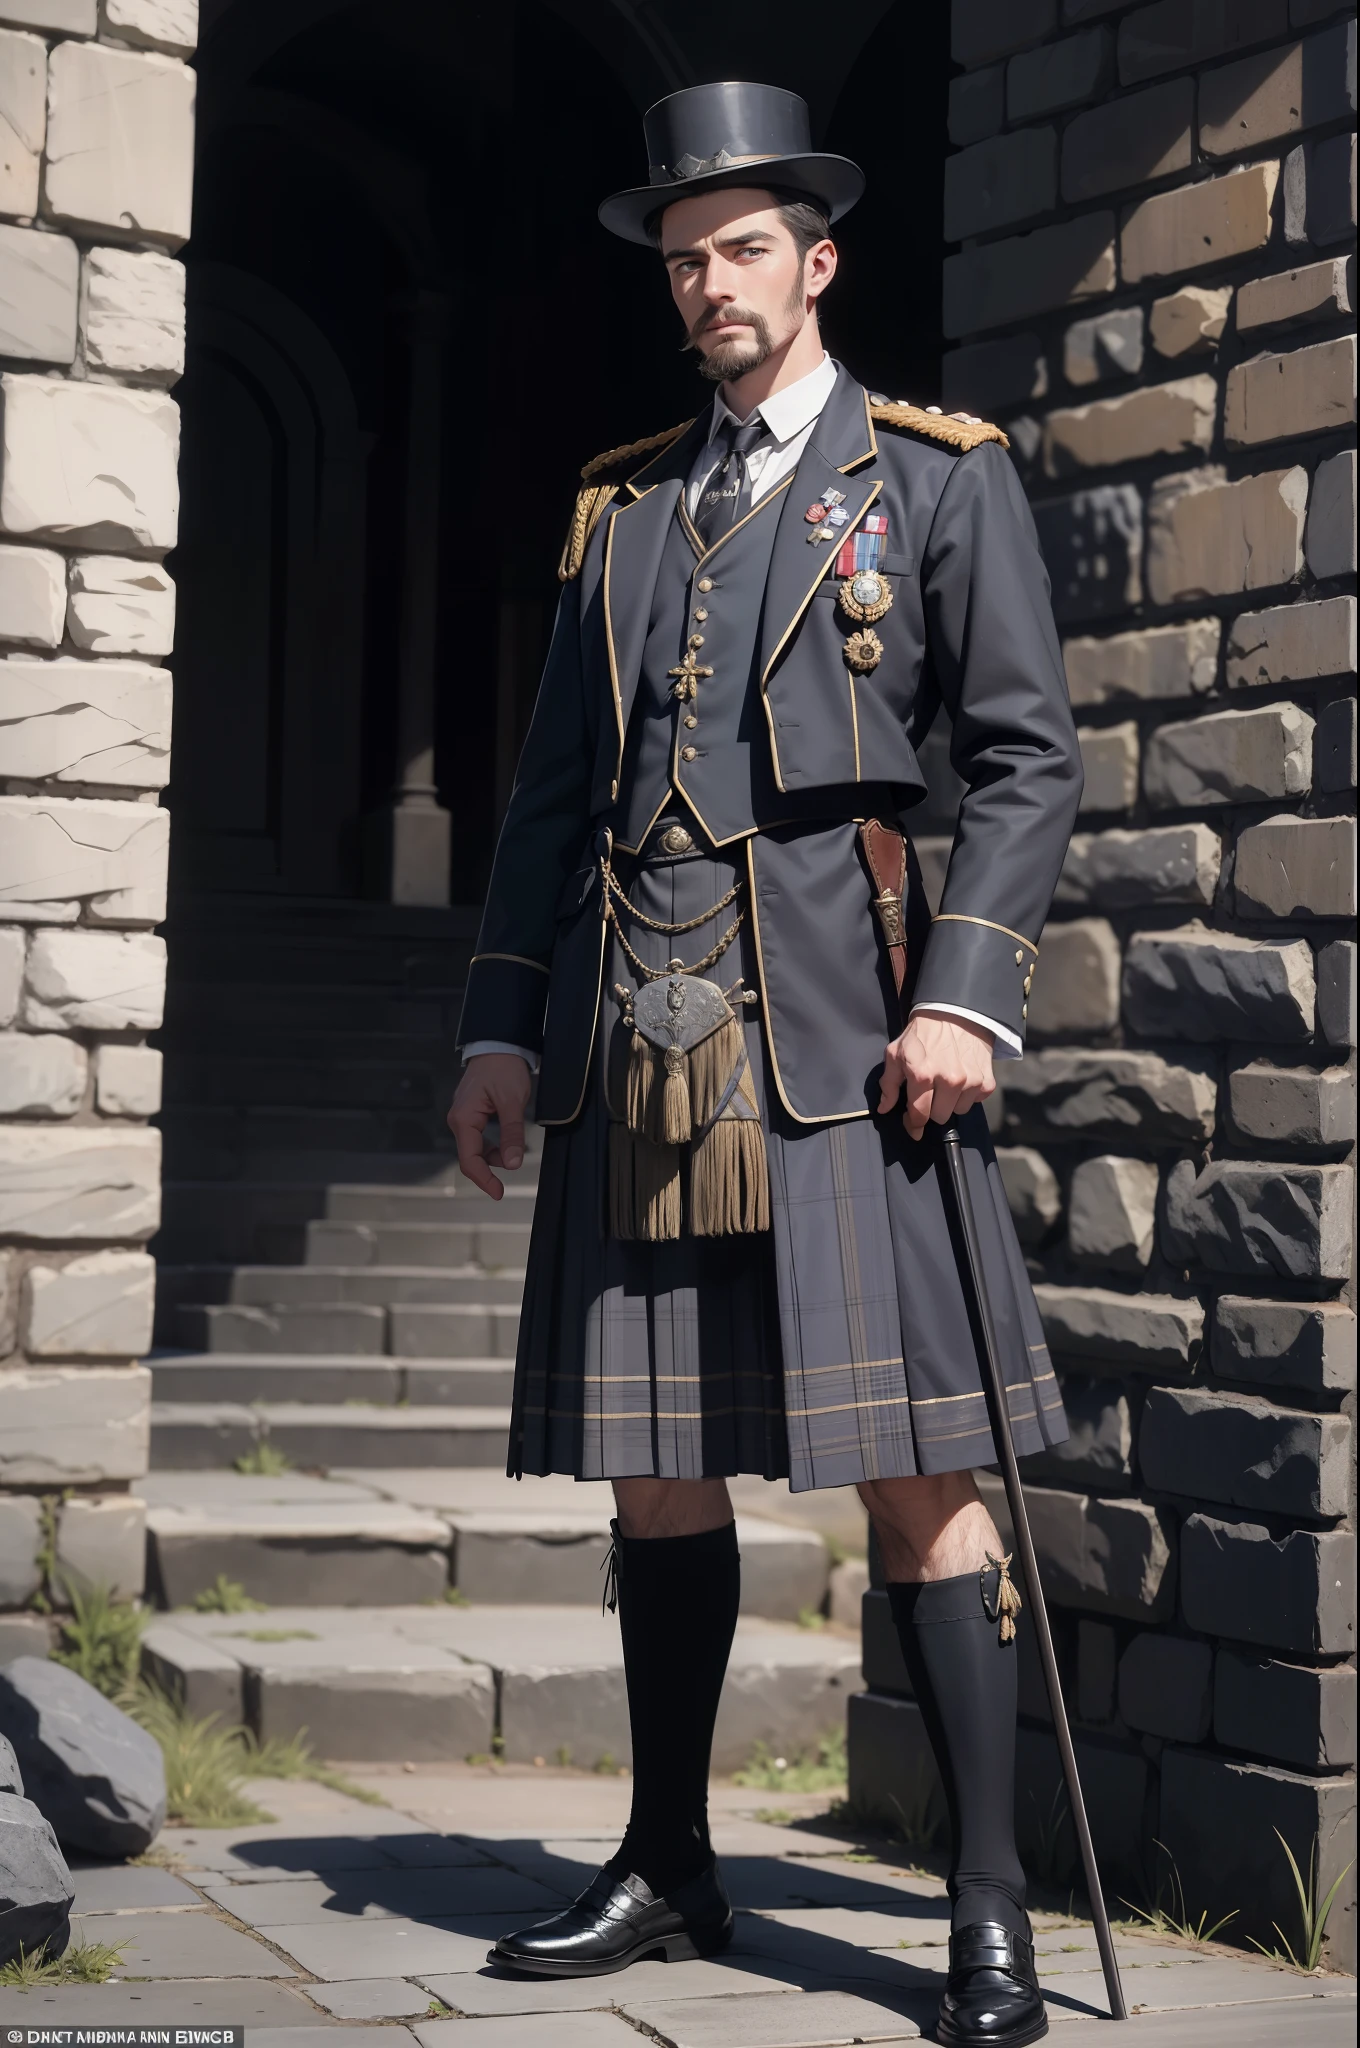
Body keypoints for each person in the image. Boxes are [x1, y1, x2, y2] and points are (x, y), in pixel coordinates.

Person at [448, 80, 1082, 2048]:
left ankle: (983, 1910)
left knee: (915, 1471)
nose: (705, 282)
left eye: (737, 248)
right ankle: (667, 1856)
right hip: (641, 1033)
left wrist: (962, 996)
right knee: (652, 1471)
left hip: (847, 1038)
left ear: (812, 264)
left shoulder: (933, 477)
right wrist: (495, 1015)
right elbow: (556, 790)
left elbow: (1018, 755)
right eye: (679, 255)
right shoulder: (622, 509)